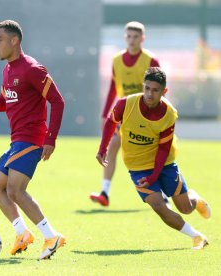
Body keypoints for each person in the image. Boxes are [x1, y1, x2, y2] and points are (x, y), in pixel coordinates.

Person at [0, 20, 66, 260]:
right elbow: (2, 102)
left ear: (14, 40)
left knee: (15, 190)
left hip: (32, 139)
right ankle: (22, 233)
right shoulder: (7, 70)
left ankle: (51, 236)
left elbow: (58, 101)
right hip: (17, 141)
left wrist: (51, 138)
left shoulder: (32, 69)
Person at [96, 67, 210, 249]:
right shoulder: (126, 104)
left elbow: (164, 149)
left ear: (164, 92)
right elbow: (111, 122)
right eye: (147, 88)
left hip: (164, 164)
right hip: (137, 167)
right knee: (158, 206)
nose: (149, 94)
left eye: (155, 90)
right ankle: (197, 236)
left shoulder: (169, 114)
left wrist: (154, 176)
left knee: (186, 208)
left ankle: (194, 198)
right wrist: (103, 148)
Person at [90, 21, 162, 207]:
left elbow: (159, 88)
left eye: (135, 36)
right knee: (112, 147)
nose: (131, 40)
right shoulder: (116, 60)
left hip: (147, 114)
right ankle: (105, 192)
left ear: (142, 39)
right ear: (125, 37)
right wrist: (106, 114)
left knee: (152, 153)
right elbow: (113, 88)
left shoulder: (151, 61)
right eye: (129, 36)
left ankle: (163, 194)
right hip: (126, 113)